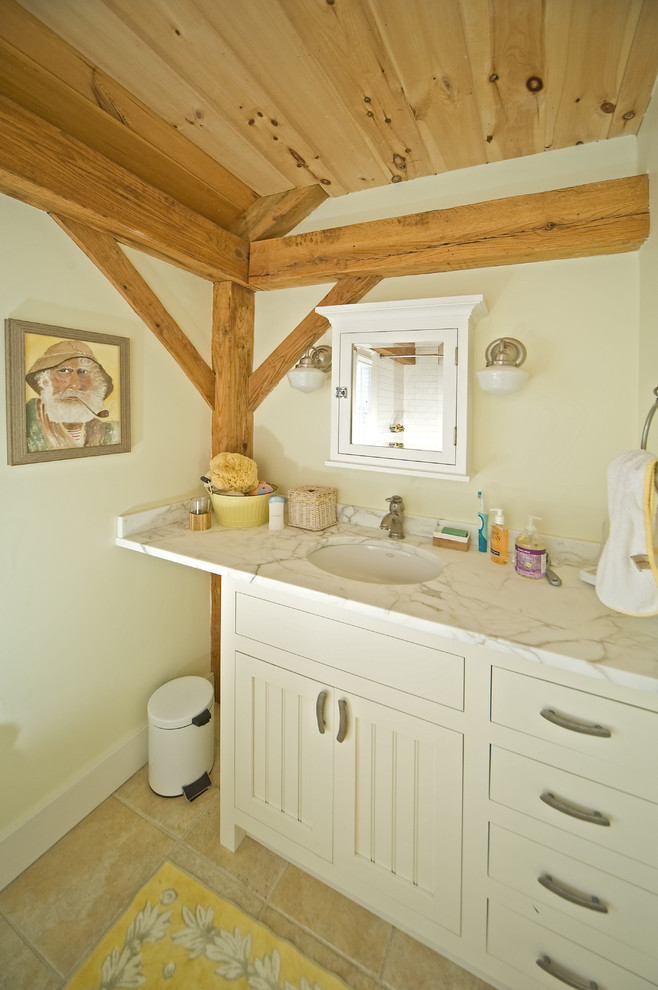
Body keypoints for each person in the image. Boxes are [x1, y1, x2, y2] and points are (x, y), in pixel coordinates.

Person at [25, 339, 119, 451]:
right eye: (64, 371)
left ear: (96, 382)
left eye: (83, 372)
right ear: (44, 380)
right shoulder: (26, 423)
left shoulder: (109, 432)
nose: (75, 385)